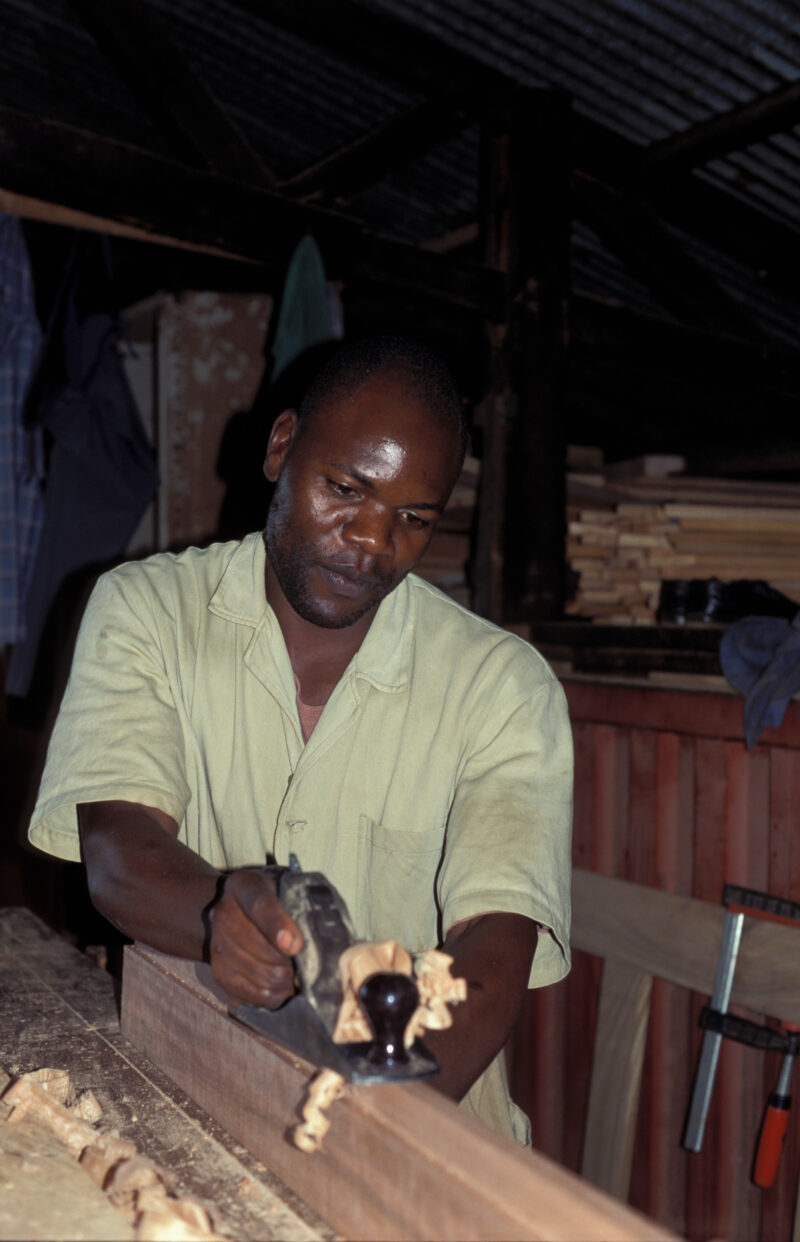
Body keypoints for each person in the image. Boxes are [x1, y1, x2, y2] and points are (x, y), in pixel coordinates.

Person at [28, 335, 573, 1144]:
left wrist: (385, 1117)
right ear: (282, 446)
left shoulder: (503, 686)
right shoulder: (145, 613)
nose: (372, 541)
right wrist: (217, 913)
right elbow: (118, 850)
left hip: (430, 1129)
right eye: (346, 489)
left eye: (413, 519)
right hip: (202, 1103)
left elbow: (496, 944)